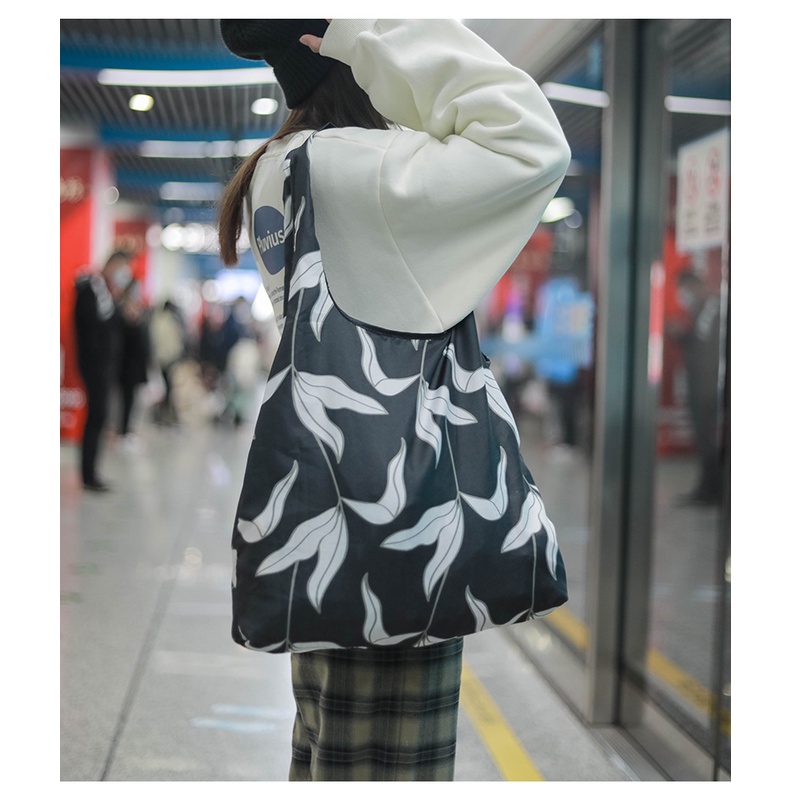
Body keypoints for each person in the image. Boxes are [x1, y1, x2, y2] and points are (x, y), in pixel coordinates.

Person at [217, 19, 570, 781]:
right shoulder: (363, 168)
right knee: (393, 755)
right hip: (405, 511)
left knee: (330, 734)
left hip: (327, 497)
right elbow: (531, 140)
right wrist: (366, 32)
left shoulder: (281, 167)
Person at [73, 249, 133, 491]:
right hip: (94, 366)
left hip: (105, 366)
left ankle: (91, 472)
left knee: (99, 417)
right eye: (122, 267)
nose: (124, 273)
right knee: (96, 417)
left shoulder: (108, 294)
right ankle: (88, 475)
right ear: (112, 264)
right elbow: (89, 328)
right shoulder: (91, 290)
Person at [672, 269, 723, 505]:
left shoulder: (714, 307)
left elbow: (709, 351)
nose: (682, 295)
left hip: (708, 388)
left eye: (683, 289)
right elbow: (697, 343)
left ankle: (712, 491)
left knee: (709, 441)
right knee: (703, 441)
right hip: (700, 385)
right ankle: (706, 488)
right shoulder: (702, 308)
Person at [115, 280, 150, 444]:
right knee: (125, 401)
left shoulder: (139, 318)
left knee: (131, 402)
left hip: (134, 368)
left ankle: (126, 429)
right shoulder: (124, 319)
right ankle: (122, 431)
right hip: (126, 368)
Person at [149, 300, 186, 426]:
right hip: (166, 359)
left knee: (167, 388)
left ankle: (164, 414)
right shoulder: (165, 322)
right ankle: (162, 414)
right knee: (165, 388)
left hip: (166, 359)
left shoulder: (160, 320)